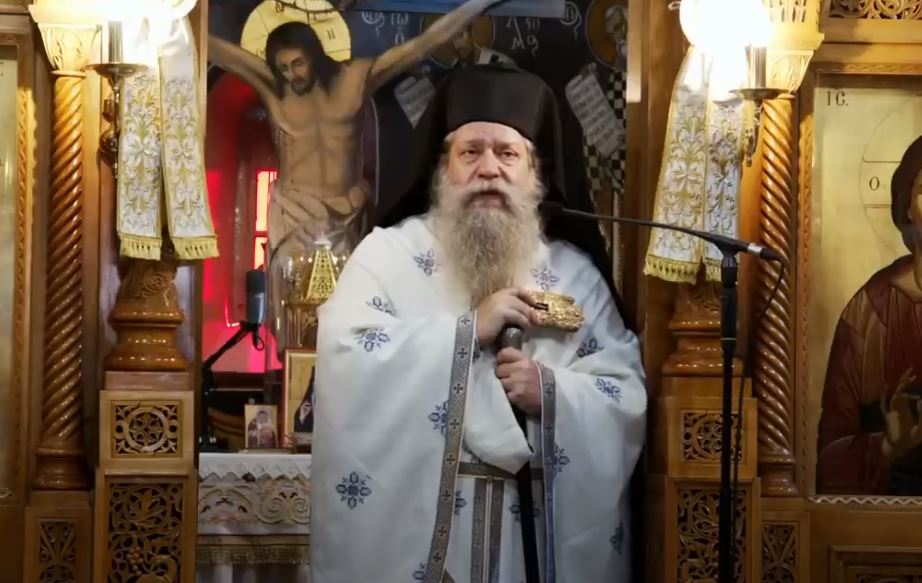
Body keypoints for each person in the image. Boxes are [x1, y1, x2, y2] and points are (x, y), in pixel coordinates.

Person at [311, 65, 647, 583]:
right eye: (470, 152)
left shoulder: (575, 274)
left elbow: (624, 391)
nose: (488, 169)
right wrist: (466, 333)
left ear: (534, 171)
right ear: (442, 168)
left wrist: (552, 392)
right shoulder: (388, 256)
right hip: (423, 536)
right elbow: (346, 357)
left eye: (507, 153)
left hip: (533, 534)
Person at [207, 0, 506, 252]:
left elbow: (423, 44)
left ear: (316, 55)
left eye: (298, 64)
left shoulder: (357, 78)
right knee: (289, 299)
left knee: (350, 298)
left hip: (347, 214)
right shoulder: (275, 87)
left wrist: (478, 4)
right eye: (283, 67)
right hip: (293, 212)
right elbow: (217, 49)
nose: (291, 75)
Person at [817, 135, 922, 495]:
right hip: (885, 510)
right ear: (907, 207)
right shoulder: (871, 310)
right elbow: (830, 454)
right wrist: (888, 447)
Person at [448, 24, 516, 68]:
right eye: (451, 39)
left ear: (471, 34)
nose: (458, 44)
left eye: (460, 35)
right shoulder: (454, 70)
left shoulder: (498, 61)